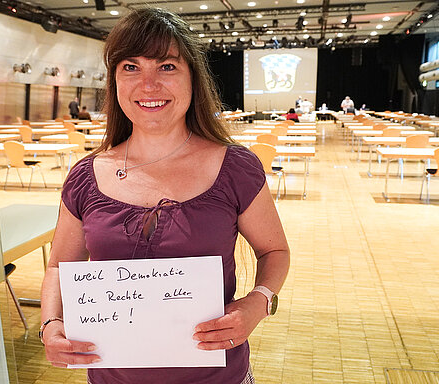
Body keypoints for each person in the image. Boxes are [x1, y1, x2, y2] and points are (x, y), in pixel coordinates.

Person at [40, 7, 290, 384]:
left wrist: (258, 303)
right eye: (131, 67)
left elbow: (275, 252)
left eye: (167, 67)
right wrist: (50, 323)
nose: (149, 85)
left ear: (193, 78)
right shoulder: (85, 177)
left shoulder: (235, 167)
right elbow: (60, 266)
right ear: (115, 81)